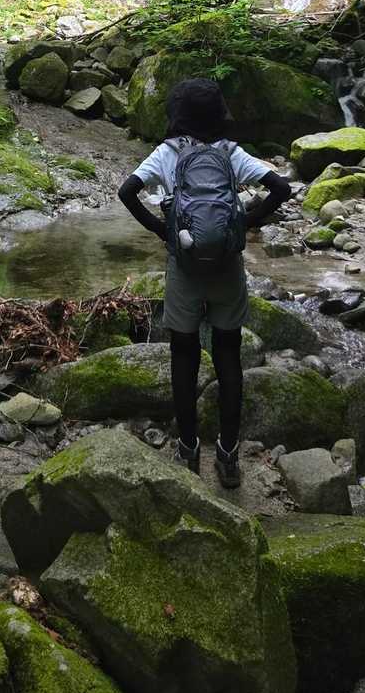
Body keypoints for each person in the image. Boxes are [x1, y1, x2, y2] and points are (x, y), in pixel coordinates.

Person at [117, 78, 292, 487]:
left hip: (184, 268)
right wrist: (243, 225)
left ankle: (189, 450)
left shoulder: (167, 153)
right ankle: (228, 456)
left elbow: (127, 193)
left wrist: (162, 231)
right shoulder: (231, 153)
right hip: (227, 268)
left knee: (184, 357)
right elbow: (281, 188)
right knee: (228, 357)